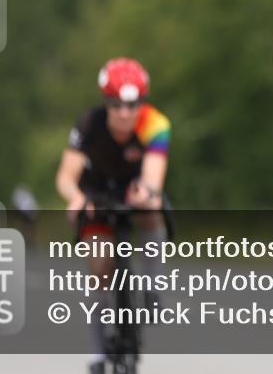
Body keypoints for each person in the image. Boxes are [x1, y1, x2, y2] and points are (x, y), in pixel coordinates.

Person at [55, 57, 171, 374]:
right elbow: (66, 176)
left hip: (132, 187)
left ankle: (152, 284)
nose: (124, 113)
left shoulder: (155, 124)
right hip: (95, 195)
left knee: (152, 208)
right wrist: (76, 197)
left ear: (142, 104)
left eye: (133, 105)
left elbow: (153, 176)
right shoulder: (88, 125)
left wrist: (145, 192)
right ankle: (96, 354)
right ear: (106, 102)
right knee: (100, 267)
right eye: (116, 104)